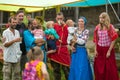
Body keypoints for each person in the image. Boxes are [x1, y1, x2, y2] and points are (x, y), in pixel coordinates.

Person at [93, 12, 119, 80]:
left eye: (103, 18)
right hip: (99, 49)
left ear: (106, 18)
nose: (101, 19)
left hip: (107, 49)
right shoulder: (97, 27)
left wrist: (109, 51)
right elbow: (96, 40)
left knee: (109, 69)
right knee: (99, 68)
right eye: (100, 18)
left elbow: (114, 39)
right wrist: (95, 50)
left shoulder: (110, 27)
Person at [47, 12, 71, 80]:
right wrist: (50, 37)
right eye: (58, 18)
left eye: (61, 18)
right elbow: (47, 34)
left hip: (63, 50)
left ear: (63, 18)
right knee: (56, 70)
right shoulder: (53, 26)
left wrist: (65, 26)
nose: (59, 20)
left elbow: (69, 36)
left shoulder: (66, 27)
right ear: (56, 18)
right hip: (55, 50)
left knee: (66, 70)